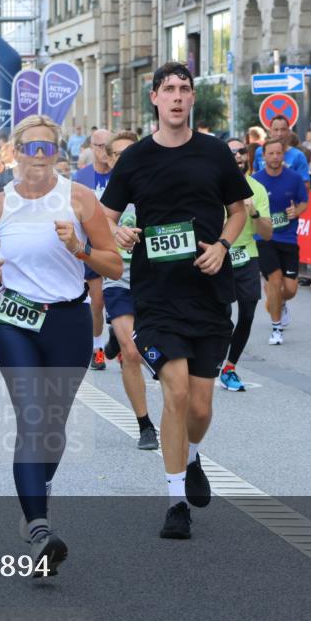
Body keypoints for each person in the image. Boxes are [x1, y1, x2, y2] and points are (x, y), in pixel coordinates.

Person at [0, 114, 121, 575]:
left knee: (53, 425)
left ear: (57, 153)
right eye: (29, 147)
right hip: (15, 320)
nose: (38, 155)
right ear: (15, 151)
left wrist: (79, 248)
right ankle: (39, 529)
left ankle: (37, 493)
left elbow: (112, 265)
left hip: (69, 320)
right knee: (33, 419)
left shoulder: (79, 198)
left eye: (46, 147)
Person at [102, 62, 251, 540]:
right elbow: (104, 217)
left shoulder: (213, 153)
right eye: (169, 89)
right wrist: (119, 230)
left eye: (185, 89)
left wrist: (222, 247)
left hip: (208, 293)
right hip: (156, 296)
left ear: (192, 99)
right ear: (154, 98)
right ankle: (175, 501)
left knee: (201, 409)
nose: (178, 96)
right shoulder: (136, 159)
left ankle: (190, 454)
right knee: (177, 392)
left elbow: (238, 211)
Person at [100, 131, 160, 448]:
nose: (125, 159)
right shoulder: (103, 197)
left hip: (155, 278)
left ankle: (116, 337)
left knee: (158, 347)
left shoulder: (155, 186)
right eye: (118, 154)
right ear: (109, 159)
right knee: (132, 352)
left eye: (130, 152)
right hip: (118, 277)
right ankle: (145, 424)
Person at [219, 137, 273, 392]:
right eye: (232, 152)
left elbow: (268, 233)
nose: (238, 156)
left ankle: (230, 367)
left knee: (248, 312)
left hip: (247, 255)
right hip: (219, 255)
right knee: (223, 315)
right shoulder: (214, 187)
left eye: (242, 151)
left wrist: (253, 213)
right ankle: (214, 358)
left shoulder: (257, 189)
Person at [253, 137, 308, 345]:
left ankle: (279, 302)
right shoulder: (256, 180)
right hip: (264, 237)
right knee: (274, 279)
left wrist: (297, 211)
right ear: (264, 156)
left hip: (287, 237)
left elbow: (304, 201)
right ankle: (276, 329)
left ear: (283, 155)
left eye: (279, 153)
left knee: (290, 289)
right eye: (271, 153)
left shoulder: (293, 178)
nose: (275, 157)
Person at [72, 128, 114, 370]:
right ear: (90, 148)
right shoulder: (82, 177)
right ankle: (97, 348)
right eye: (98, 146)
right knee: (97, 301)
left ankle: (117, 341)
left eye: (107, 146)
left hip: (122, 247)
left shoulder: (121, 174)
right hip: (93, 247)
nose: (103, 151)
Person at [252, 115, 310, 189]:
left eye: (283, 130)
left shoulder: (298, 156)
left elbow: (306, 185)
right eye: (276, 130)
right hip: (264, 199)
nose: (279, 134)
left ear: (289, 132)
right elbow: (254, 175)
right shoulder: (259, 152)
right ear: (270, 132)